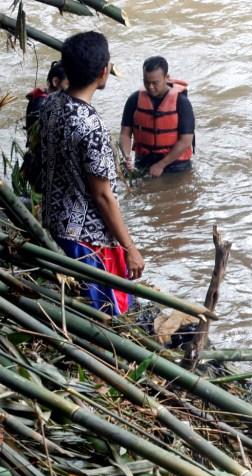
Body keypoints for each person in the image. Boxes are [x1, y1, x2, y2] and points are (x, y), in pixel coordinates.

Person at [38, 31, 145, 314]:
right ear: (103, 71)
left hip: (53, 221)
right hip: (86, 240)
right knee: (107, 313)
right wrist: (130, 248)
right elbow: (102, 196)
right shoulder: (90, 125)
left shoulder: (50, 105)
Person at [119, 56, 195, 177]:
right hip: (144, 160)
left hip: (176, 163)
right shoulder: (134, 100)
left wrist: (161, 165)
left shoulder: (182, 103)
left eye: (155, 83)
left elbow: (186, 140)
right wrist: (126, 156)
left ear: (167, 78)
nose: (150, 87)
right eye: (146, 82)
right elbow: (125, 134)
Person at [22, 61, 67, 189]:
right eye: (69, 84)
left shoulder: (43, 99)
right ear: (55, 82)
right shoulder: (42, 105)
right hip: (43, 170)